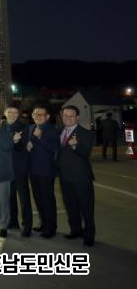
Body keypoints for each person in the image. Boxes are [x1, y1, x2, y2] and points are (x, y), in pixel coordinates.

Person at [57, 105, 96, 246]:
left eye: (71, 115)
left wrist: (75, 146)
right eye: (65, 115)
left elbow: (86, 153)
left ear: (77, 117)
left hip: (81, 177)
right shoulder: (60, 131)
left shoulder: (86, 133)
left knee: (86, 208)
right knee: (70, 206)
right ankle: (75, 230)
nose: (68, 118)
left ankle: (89, 235)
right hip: (65, 177)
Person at [27, 106, 59, 238]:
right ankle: (43, 223)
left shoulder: (53, 129)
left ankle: (51, 228)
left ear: (47, 116)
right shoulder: (30, 128)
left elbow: (54, 148)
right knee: (38, 199)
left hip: (46, 170)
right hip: (33, 169)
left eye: (42, 114)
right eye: (36, 114)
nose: (38, 116)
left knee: (47, 200)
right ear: (32, 115)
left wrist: (40, 137)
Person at [5, 105, 32, 237]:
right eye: (10, 112)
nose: (13, 114)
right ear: (5, 113)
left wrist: (16, 142)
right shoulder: (2, 126)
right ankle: (13, 221)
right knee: (10, 198)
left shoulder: (23, 127)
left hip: (19, 167)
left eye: (15, 112)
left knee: (24, 198)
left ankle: (27, 225)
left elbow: (24, 147)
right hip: (7, 168)